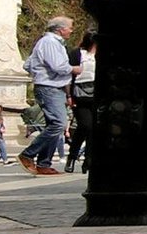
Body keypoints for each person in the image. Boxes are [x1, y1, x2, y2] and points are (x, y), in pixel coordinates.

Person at [22, 16, 75, 175]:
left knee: (55, 125)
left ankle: (44, 163)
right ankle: (28, 154)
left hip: (53, 87)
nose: (72, 31)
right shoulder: (50, 43)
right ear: (60, 29)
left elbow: (28, 64)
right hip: (49, 87)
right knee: (59, 124)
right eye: (70, 27)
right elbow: (59, 67)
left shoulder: (47, 43)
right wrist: (74, 69)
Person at [65, 42, 96, 170]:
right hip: (80, 93)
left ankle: (88, 159)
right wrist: (68, 95)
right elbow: (68, 75)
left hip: (96, 93)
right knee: (85, 125)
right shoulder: (77, 53)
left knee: (93, 127)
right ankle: (72, 156)